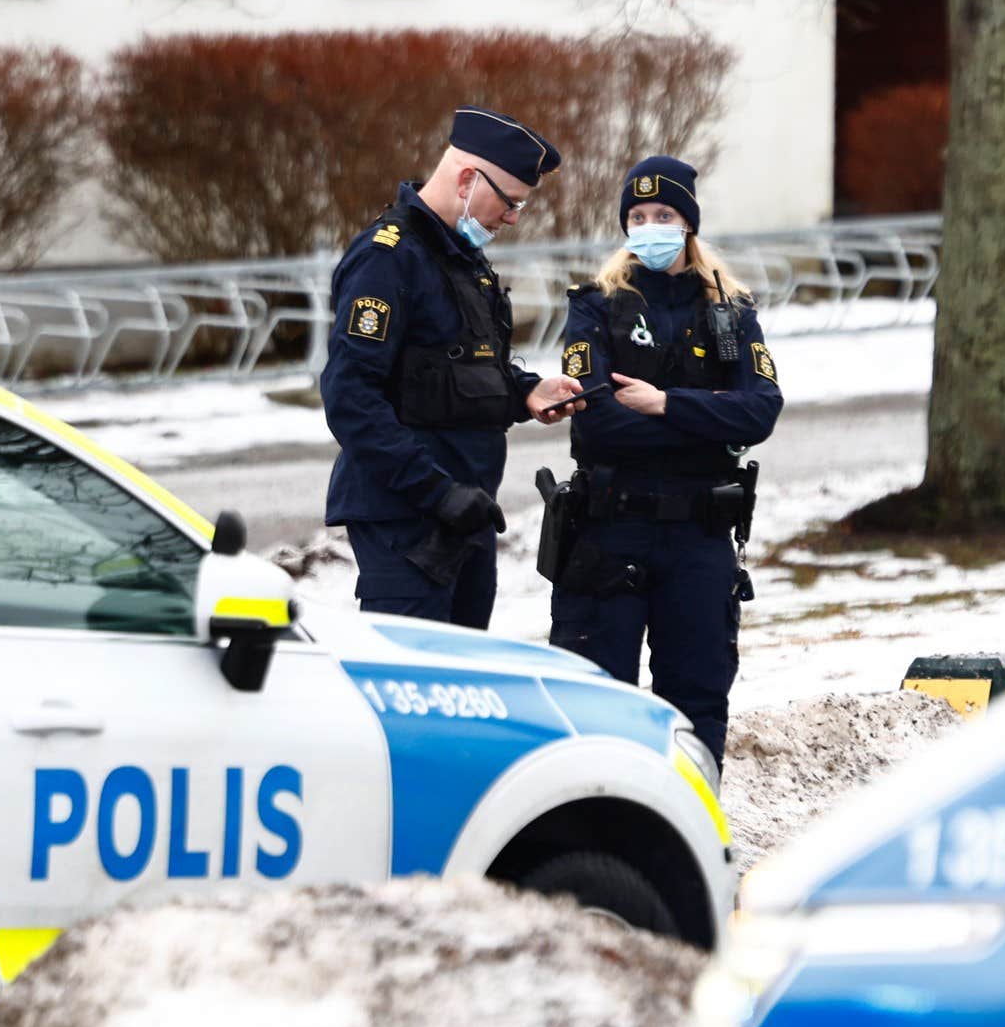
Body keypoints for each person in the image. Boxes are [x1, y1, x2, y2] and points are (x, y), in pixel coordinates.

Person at [544, 155, 782, 764]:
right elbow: (596, 422)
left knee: (698, 703)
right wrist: (705, 420)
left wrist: (662, 404)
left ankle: (692, 841)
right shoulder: (596, 305)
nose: (650, 226)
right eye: (639, 215)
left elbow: (760, 413)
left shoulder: (730, 310)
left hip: (698, 538)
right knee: (596, 708)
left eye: (665, 214)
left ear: (689, 224)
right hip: (609, 532)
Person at [322, 105, 584, 628]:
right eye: (509, 202)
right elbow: (351, 397)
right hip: (408, 514)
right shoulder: (389, 257)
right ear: (467, 179)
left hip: (466, 511)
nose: (512, 217)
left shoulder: (460, 257)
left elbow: (460, 367)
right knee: (414, 687)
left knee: (462, 685)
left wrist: (527, 392)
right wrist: (436, 493)